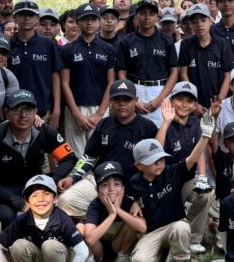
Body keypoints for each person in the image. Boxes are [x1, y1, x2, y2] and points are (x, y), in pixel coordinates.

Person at [57, 79, 160, 218]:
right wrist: (72, 177)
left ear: (136, 100)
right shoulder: (104, 124)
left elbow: (155, 165)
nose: (122, 103)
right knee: (65, 201)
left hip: (132, 186)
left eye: (127, 99)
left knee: (145, 213)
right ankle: (91, 226)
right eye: (117, 99)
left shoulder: (148, 128)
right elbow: (89, 156)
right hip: (100, 181)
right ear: (110, 102)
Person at [0, 89, 79, 223]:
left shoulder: (44, 131)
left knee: (65, 201)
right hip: (7, 190)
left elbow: (69, 158)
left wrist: (52, 183)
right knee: (4, 215)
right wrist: (21, 204)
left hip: (37, 185)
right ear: (6, 112)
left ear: (36, 111)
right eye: (17, 109)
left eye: (29, 109)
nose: (23, 115)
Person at [0, 174, 91, 262]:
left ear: (55, 198)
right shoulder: (22, 220)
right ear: (27, 202)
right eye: (34, 195)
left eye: (46, 194)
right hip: (41, 261)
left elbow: (82, 250)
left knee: (50, 245)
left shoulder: (62, 219)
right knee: (18, 245)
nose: (41, 199)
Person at [126, 139, 204, 262]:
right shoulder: (134, 182)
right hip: (151, 232)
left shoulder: (171, 172)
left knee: (182, 227)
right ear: (138, 165)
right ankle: (163, 254)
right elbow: (128, 199)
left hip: (173, 226)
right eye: (152, 160)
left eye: (161, 158)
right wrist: (134, 202)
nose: (159, 163)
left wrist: (205, 136)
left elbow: (193, 158)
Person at [155, 84, 216, 253]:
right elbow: (156, 154)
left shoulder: (196, 122)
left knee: (206, 193)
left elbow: (201, 150)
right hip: (165, 183)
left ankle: (194, 238)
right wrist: (166, 122)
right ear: (171, 101)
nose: (184, 104)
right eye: (179, 99)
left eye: (189, 101)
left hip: (186, 181)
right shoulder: (165, 124)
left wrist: (202, 176)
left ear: (195, 105)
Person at [61, 3, 116, 156]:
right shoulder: (67, 49)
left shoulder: (108, 49)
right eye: (85, 19)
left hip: (100, 107)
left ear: (98, 22)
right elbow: (64, 83)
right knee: (76, 157)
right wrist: (77, 115)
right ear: (77, 22)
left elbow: (111, 82)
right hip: (75, 109)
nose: (89, 23)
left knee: (98, 155)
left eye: (93, 19)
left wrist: (100, 113)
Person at [77, 161, 147, 262]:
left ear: (123, 188)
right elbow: (90, 239)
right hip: (98, 251)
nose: (111, 189)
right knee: (80, 227)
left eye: (117, 184)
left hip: (117, 246)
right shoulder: (96, 205)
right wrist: (112, 215)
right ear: (98, 190)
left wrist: (118, 209)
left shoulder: (128, 202)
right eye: (105, 185)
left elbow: (142, 228)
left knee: (132, 222)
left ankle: (121, 258)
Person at [117, 0, 179, 126]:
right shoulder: (126, 41)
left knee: (160, 135)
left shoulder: (166, 40)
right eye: (143, 13)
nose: (147, 17)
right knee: (134, 133)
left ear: (157, 17)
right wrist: (133, 98)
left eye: (151, 14)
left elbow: (174, 72)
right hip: (135, 89)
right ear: (136, 16)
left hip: (160, 90)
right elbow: (121, 72)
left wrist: (160, 99)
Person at [9, 0, 62, 128]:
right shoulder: (8, 45)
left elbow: (55, 77)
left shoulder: (47, 44)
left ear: (37, 18)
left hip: (44, 112)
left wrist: (56, 110)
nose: (26, 18)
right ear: (15, 17)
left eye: (31, 15)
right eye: (22, 14)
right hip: (16, 112)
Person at [178, 3, 234, 111]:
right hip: (194, 104)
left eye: (203, 20)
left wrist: (219, 102)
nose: (199, 24)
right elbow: (183, 73)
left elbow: (228, 75)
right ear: (190, 25)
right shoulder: (186, 44)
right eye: (194, 22)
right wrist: (194, 102)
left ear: (210, 21)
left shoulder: (222, 44)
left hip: (220, 103)